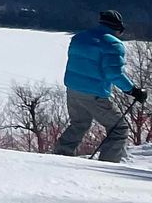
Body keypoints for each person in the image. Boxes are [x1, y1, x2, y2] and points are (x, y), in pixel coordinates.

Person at [51, 10, 144, 163]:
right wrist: (133, 90)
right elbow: (114, 74)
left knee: (79, 124)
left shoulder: (79, 38)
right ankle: (107, 166)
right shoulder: (113, 44)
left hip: (73, 90)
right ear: (118, 28)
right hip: (94, 94)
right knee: (119, 129)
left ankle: (60, 156)